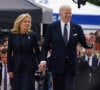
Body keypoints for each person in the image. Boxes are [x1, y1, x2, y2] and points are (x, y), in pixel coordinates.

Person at [39, 5, 94, 90]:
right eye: (66, 13)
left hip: (71, 65)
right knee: (58, 87)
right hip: (57, 64)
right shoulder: (52, 27)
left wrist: (89, 44)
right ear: (60, 13)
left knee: (69, 87)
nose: (68, 15)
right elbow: (45, 46)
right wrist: (43, 60)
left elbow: (84, 43)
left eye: (70, 13)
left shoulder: (77, 28)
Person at [7, 13, 40, 90]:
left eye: (29, 21)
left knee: (26, 87)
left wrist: (41, 62)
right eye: (25, 21)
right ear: (19, 23)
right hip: (16, 68)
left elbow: (37, 51)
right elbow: (9, 53)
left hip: (29, 68)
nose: (27, 23)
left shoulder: (33, 35)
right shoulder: (12, 35)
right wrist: (10, 69)